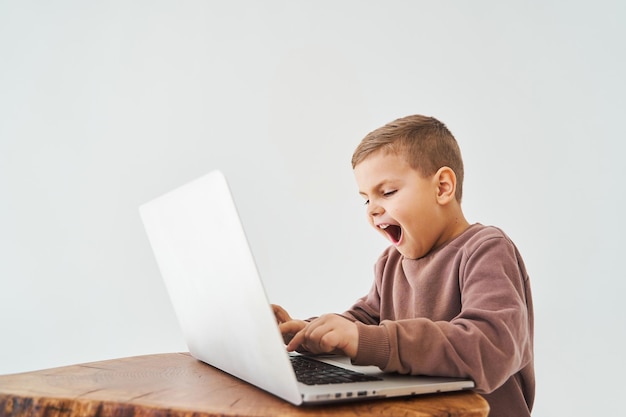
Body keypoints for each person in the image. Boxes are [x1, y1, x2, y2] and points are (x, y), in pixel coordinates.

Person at [272, 114, 535, 417]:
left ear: (442, 188)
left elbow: (490, 349)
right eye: (365, 200)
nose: (373, 210)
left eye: (386, 193)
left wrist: (363, 339)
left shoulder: (486, 249)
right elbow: (363, 323)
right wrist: (310, 333)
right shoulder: (390, 263)